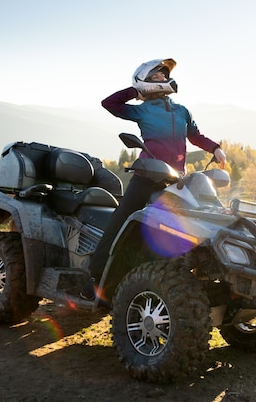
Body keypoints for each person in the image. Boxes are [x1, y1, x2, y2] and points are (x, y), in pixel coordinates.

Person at [82, 58, 226, 300]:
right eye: (157, 74)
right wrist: (135, 90)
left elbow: (195, 135)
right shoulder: (141, 110)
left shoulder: (181, 111)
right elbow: (110, 103)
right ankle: (94, 279)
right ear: (146, 81)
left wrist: (215, 148)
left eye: (163, 74)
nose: (162, 76)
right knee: (120, 224)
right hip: (145, 179)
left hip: (175, 182)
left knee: (176, 231)